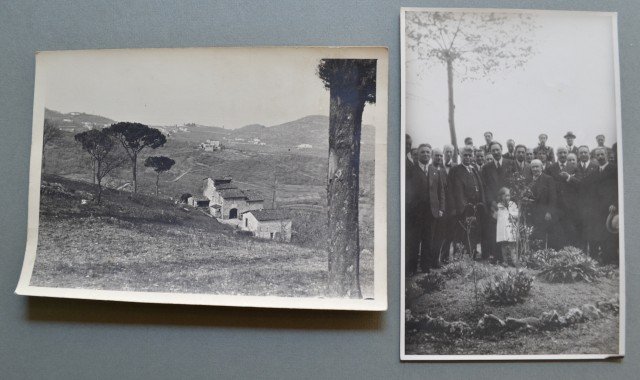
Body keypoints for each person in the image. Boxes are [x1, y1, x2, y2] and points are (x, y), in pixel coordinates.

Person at [481, 141, 517, 260]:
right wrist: (492, 202)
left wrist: (509, 202)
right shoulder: (486, 168)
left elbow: (515, 184)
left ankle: (511, 257)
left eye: (498, 150)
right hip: (494, 205)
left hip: (508, 203)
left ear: (502, 150)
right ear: (490, 152)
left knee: (509, 230)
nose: (496, 152)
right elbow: (485, 187)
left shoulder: (511, 163)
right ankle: (497, 257)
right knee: (495, 231)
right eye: (493, 150)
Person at [413, 144, 446, 273]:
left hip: (432, 212)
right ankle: (412, 267)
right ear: (419, 154)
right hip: (416, 213)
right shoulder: (412, 170)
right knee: (414, 240)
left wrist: (441, 208)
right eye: (423, 152)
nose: (425, 154)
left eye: (428, 152)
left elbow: (440, 191)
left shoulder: (434, 171)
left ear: (430, 154)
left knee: (428, 240)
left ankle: (425, 267)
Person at [450, 146, 486, 258]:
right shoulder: (455, 170)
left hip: (475, 207)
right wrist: (462, 206)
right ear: (460, 155)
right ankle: (461, 256)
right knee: (462, 232)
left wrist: (481, 203)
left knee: (473, 231)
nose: (468, 157)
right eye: (465, 155)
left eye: (470, 155)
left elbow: (480, 187)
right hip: (463, 207)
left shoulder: (473, 169)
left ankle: (472, 253)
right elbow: (453, 190)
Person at [529, 159, 557, 248]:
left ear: (542, 168)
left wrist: (549, 212)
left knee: (543, 236)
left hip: (543, 213)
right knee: (533, 235)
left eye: (537, 167)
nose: (535, 169)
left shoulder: (548, 179)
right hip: (531, 213)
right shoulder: (528, 180)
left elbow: (553, 197)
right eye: (533, 167)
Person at [494, 187, 519, 266]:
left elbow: (517, 214)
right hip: (503, 229)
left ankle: (514, 261)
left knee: (512, 245)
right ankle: (505, 261)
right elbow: (495, 216)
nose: (508, 197)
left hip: (511, 227)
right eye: (506, 196)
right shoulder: (498, 206)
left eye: (509, 195)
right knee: (504, 245)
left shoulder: (513, 204)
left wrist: (512, 214)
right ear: (501, 196)